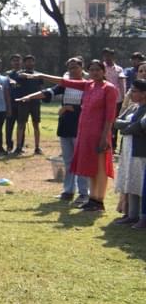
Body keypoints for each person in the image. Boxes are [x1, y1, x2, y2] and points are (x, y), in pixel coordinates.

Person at [21, 61, 119, 212]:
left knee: (99, 168)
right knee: (89, 166)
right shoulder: (88, 85)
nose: (94, 73)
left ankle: (99, 201)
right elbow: (64, 82)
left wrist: (105, 136)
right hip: (85, 133)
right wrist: (41, 75)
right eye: (92, 70)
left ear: (103, 71)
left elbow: (110, 116)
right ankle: (92, 199)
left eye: (97, 70)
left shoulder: (109, 88)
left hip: (100, 134)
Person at [109, 79, 146, 228]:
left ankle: (142, 216)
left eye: (134, 91)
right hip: (128, 149)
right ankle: (132, 215)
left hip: (141, 151)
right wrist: (129, 127)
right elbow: (117, 122)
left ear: (144, 94)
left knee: (141, 184)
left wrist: (127, 127)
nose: (131, 94)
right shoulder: (132, 107)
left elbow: (139, 127)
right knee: (130, 181)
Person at [7, 54, 45, 155]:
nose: (30, 63)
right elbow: (17, 77)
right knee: (21, 125)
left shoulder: (39, 75)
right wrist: (28, 76)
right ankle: (18, 147)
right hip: (24, 103)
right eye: (27, 61)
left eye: (31, 61)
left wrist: (41, 98)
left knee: (36, 125)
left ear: (34, 62)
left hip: (36, 103)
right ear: (24, 63)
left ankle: (37, 147)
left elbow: (41, 88)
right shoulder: (20, 73)